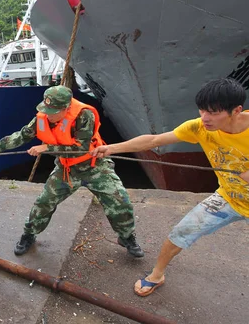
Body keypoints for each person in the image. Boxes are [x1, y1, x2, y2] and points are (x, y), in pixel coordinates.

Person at [91, 78, 249, 296]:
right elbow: (154, 140)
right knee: (180, 232)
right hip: (229, 198)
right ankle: (157, 275)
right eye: (202, 110)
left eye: (213, 112)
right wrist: (111, 148)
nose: (205, 118)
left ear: (236, 110)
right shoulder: (198, 127)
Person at [0, 85, 144, 258]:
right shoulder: (43, 116)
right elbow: (22, 135)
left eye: (53, 112)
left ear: (66, 108)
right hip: (67, 169)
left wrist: (46, 148)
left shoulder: (84, 115)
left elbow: (80, 148)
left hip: (94, 165)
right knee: (44, 202)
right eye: (47, 110)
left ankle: (126, 237)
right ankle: (29, 234)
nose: (49, 115)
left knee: (120, 200)